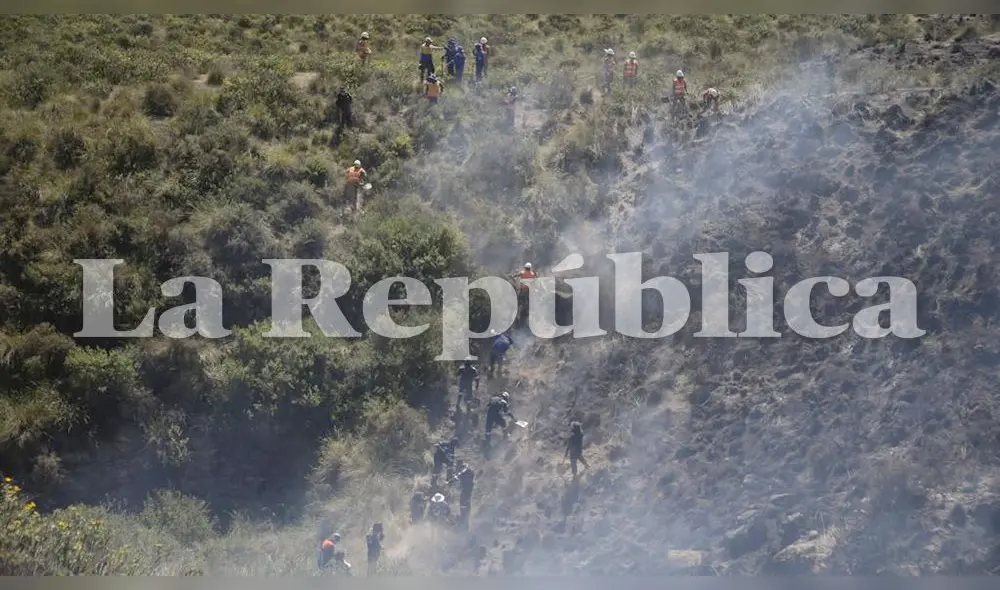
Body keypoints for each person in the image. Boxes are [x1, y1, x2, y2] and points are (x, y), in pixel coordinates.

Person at [450, 461, 475, 528]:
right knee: (465, 506)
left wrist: (455, 477)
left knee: (464, 505)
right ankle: (464, 521)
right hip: (467, 490)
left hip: (466, 490)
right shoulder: (468, 472)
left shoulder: (465, 473)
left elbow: (458, 477)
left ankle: (464, 522)